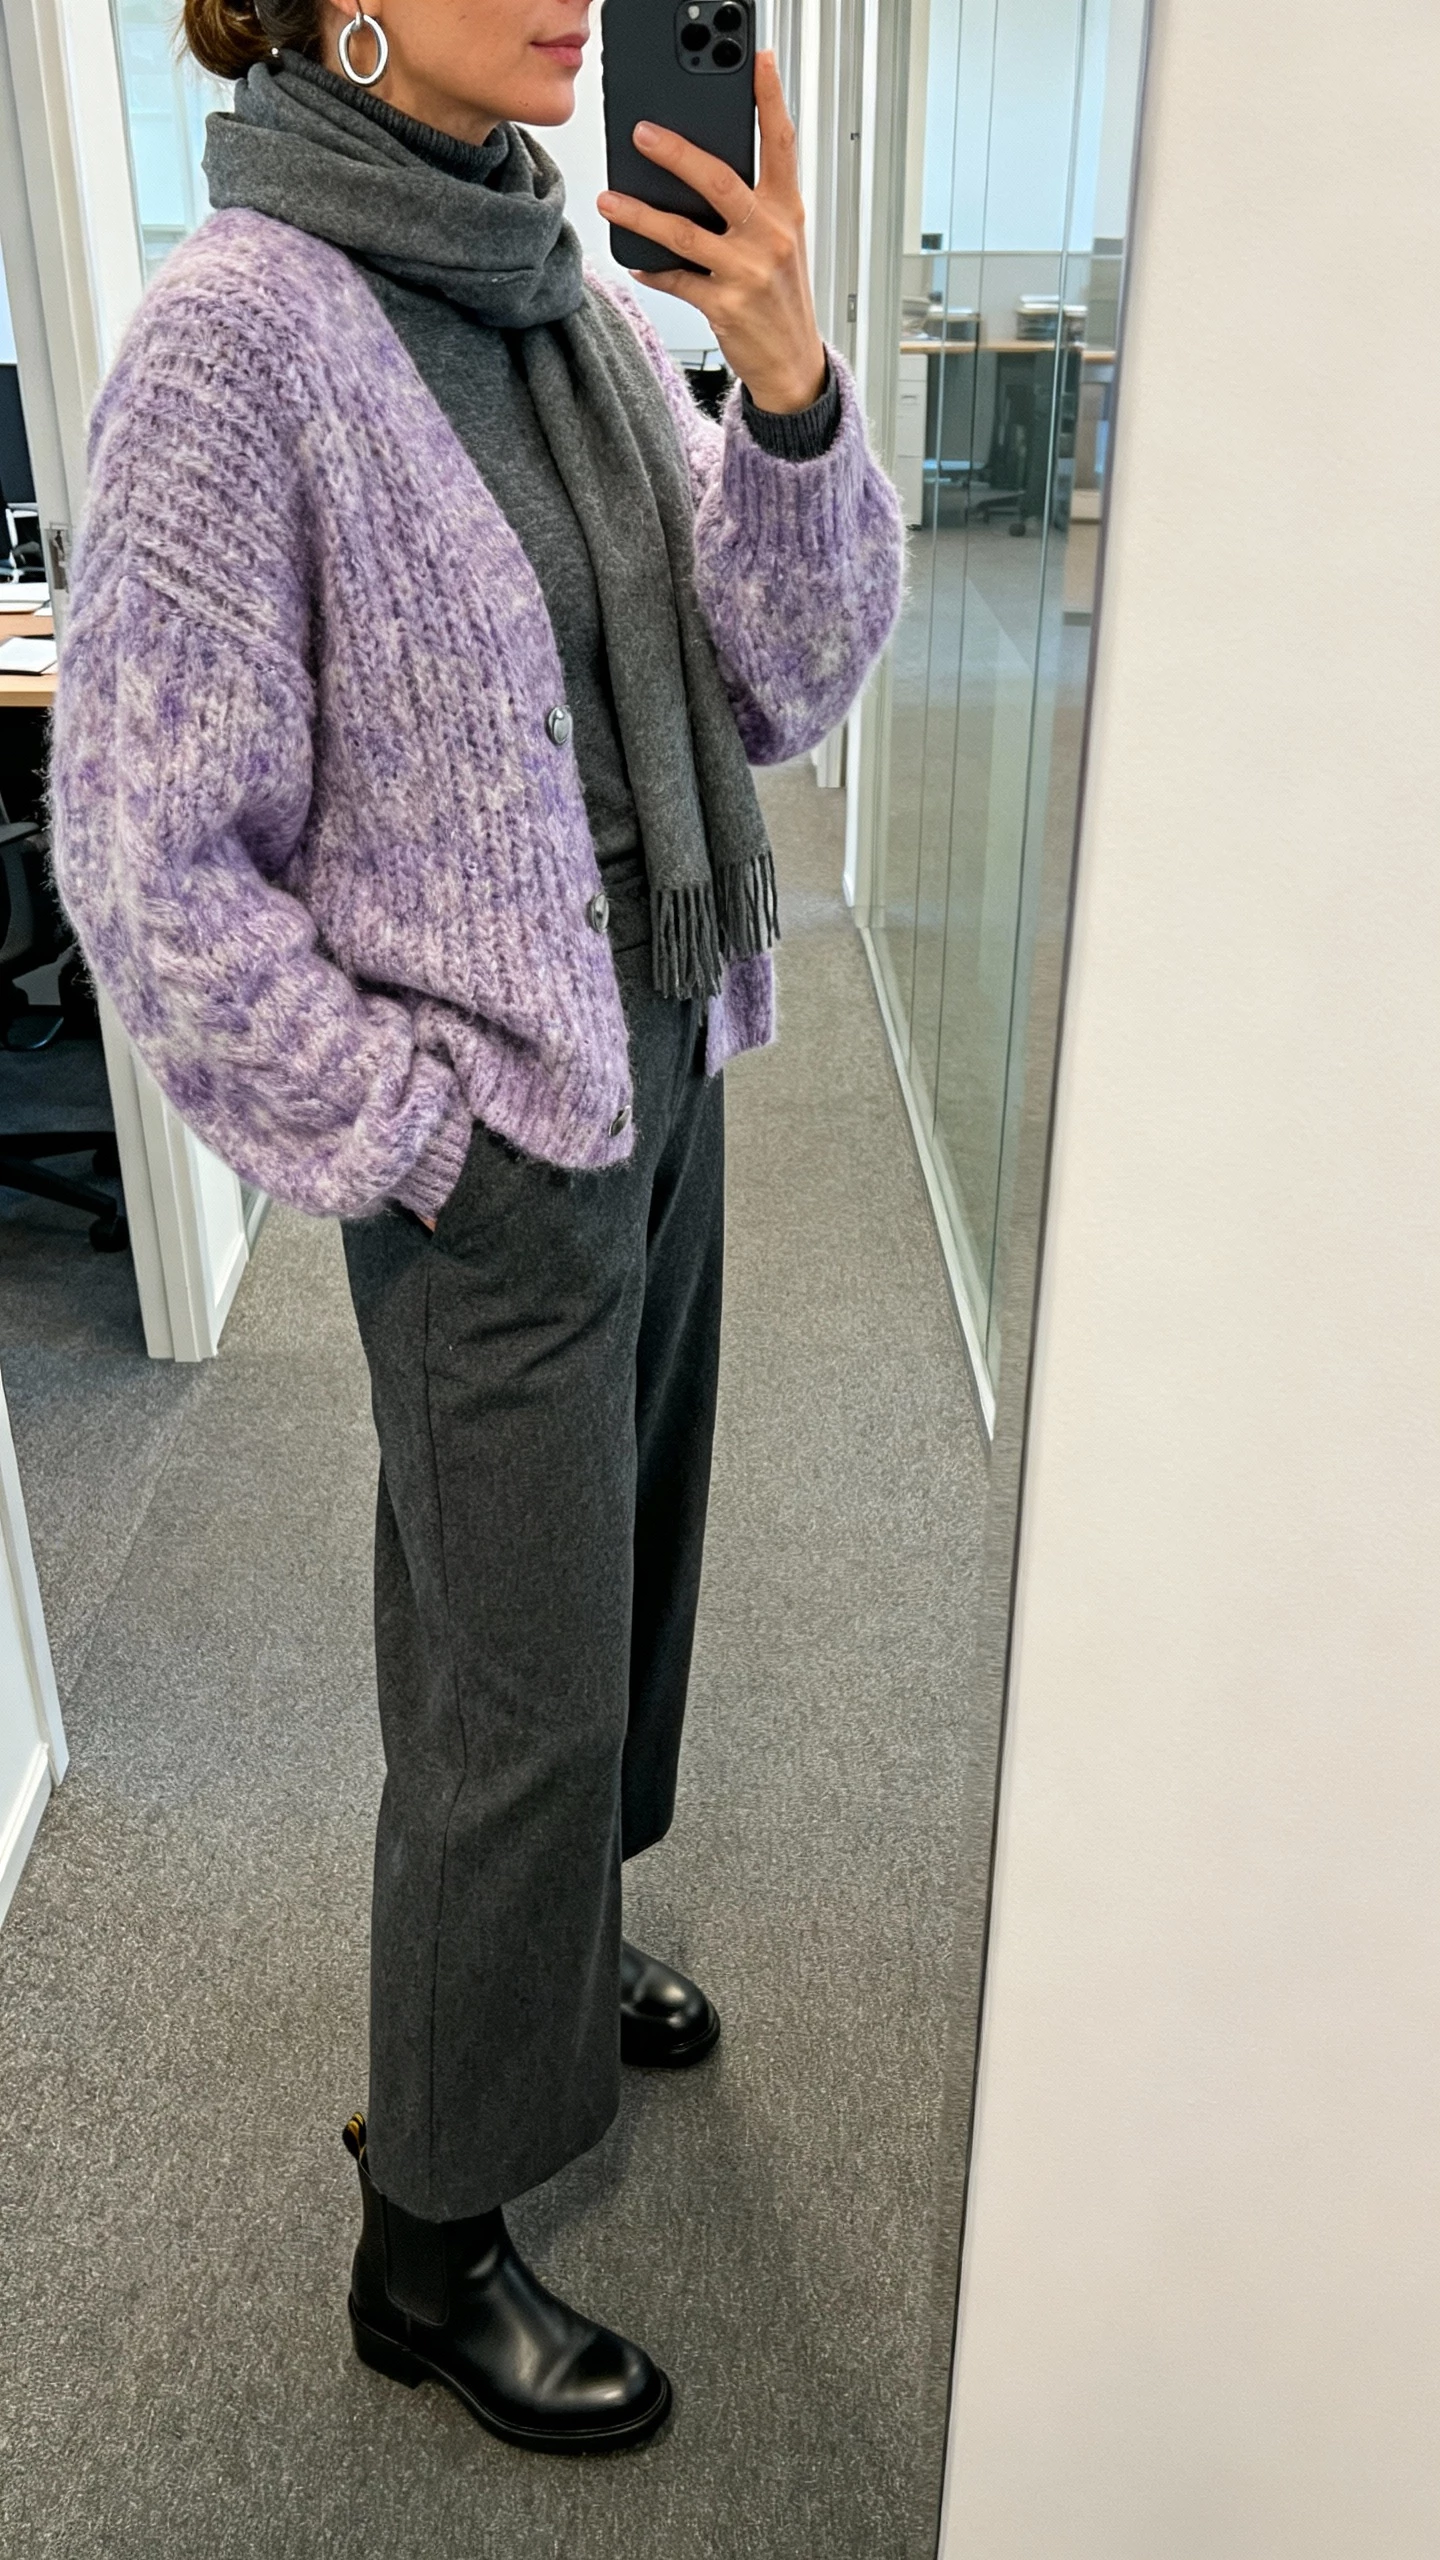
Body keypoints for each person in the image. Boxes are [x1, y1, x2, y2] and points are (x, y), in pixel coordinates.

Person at [50, 0, 903, 2456]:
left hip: (666, 1051)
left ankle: (564, 1953)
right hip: (492, 1143)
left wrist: (790, 388)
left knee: (615, 1592)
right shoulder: (236, 339)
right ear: (344, 7)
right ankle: (425, 2240)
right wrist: (406, 1127)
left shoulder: (568, 285)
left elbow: (773, 677)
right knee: (506, 1692)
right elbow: (143, 854)